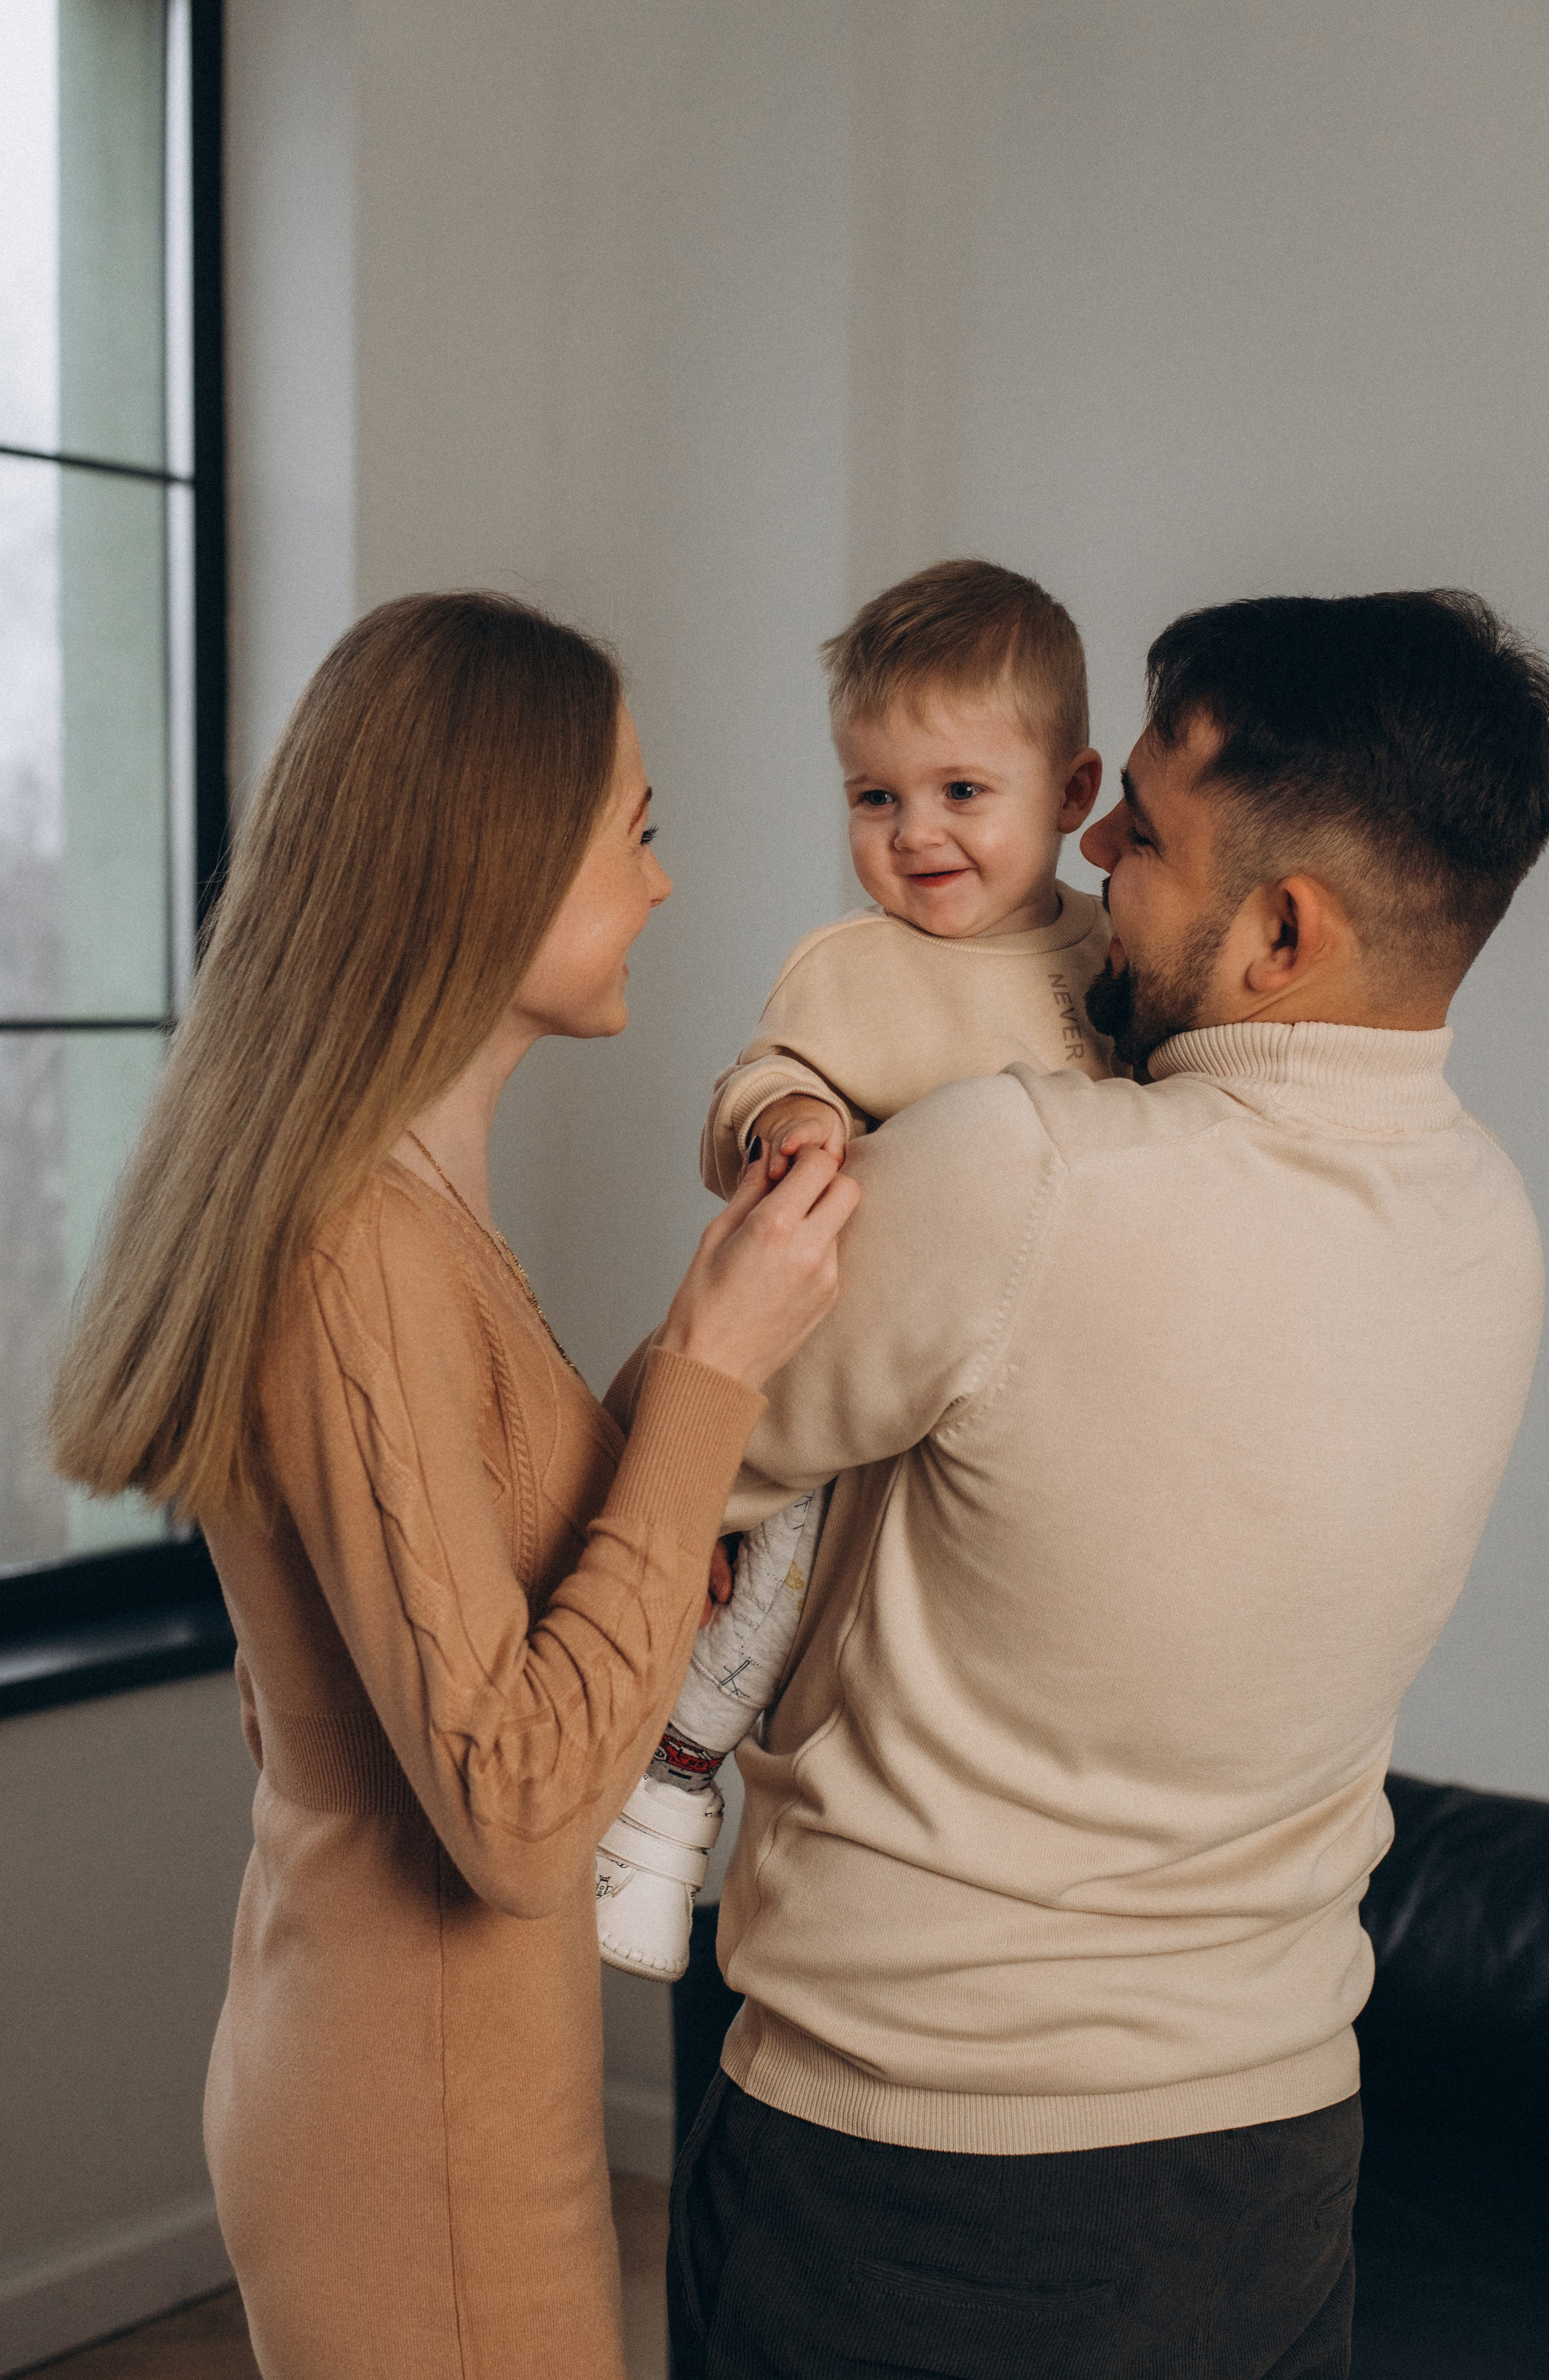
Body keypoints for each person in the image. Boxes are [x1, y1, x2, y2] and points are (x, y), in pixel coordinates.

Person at [659, 589, 1548, 2379]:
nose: (1083, 848)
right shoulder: (1496, 1226)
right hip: (1277, 2168)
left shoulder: (1022, 1174)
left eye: (1140, 828)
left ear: (1281, 932)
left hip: (909, 2173)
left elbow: (674, 1451)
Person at [48, 593, 857, 2380]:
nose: (659, 880)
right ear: (493, 865)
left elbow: (482, 1571)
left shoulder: (402, 1214)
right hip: (414, 2125)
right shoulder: (355, 1252)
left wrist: (712, 1329)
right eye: (631, 831)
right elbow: (509, 1810)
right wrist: (711, 1377)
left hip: (433, 2074)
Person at [596, 560, 1114, 1979]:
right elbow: (754, 1078)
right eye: (872, 797)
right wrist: (791, 1117)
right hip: (840, 1348)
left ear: (1072, 794)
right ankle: (665, 1795)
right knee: (764, 1580)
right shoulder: (849, 965)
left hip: (1021, 1373)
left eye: (960, 791)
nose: (913, 834)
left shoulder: (1115, 962)